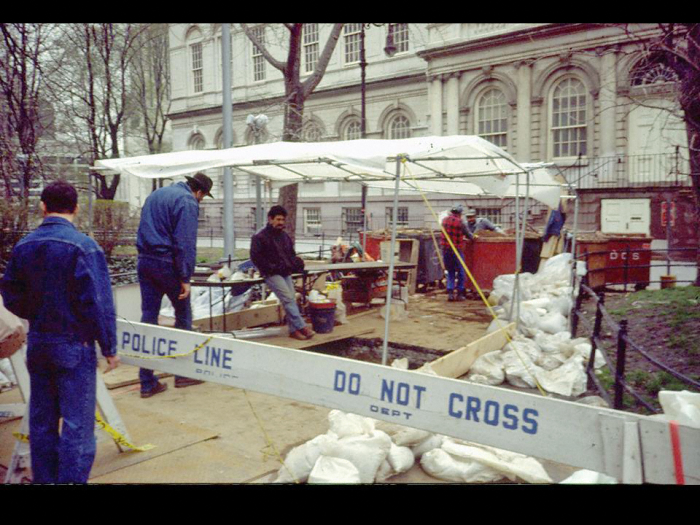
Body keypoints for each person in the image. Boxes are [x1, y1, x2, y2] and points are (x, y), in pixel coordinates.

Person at [1, 180, 120, 484]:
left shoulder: (24, 246)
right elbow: (99, 303)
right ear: (76, 208)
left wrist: (38, 313)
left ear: (43, 207)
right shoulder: (84, 246)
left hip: (39, 344)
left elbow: (11, 295)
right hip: (74, 346)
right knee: (77, 427)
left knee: (42, 424)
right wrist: (109, 348)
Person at [136, 172, 213, 398]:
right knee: (183, 317)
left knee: (148, 321)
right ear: (199, 192)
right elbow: (185, 243)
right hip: (167, 264)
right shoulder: (187, 201)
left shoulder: (157, 194)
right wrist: (185, 277)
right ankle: (183, 374)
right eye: (202, 197)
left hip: (145, 261)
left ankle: (147, 381)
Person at [250, 205, 315, 341]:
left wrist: (295, 264)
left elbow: (291, 254)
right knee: (288, 299)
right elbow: (256, 258)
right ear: (270, 219)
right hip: (271, 273)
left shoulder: (284, 236)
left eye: (283, 220)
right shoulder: (259, 237)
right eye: (278, 219)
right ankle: (301, 326)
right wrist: (271, 268)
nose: (281, 223)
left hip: (285, 272)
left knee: (291, 299)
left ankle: (293, 330)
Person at [440, 204, 470, 302]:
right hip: (456, 249)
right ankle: (460, 293)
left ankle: (450, 293)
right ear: (460, 213)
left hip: (446, 250)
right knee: (461, 271)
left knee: (450, 270)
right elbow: (469, 235)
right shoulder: (461, 222)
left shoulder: (444, 220)